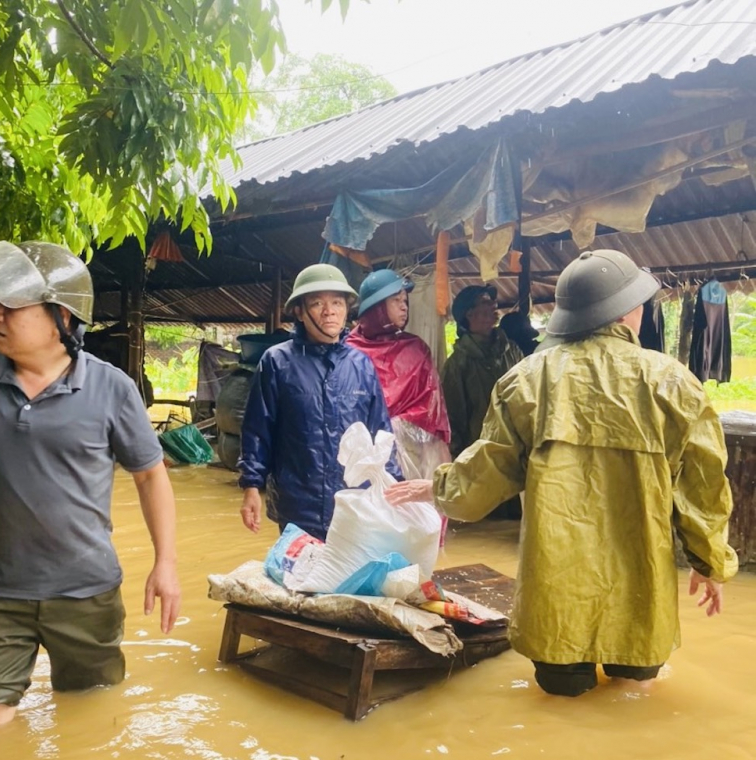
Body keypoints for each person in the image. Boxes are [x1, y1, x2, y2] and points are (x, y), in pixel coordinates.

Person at [386, 249, 737, 697]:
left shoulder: (526, 380)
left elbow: (485, 476)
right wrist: (711, 562)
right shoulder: (673, 382)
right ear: (630, 311)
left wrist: (434, 488)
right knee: (632, 703)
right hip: (640, 595)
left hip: (555, 598)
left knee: (559, 703)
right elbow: (703, 486)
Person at [0, 241, 180, 736]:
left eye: (9, 305)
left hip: (86, 591)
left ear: (61, 315)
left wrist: (165, 564)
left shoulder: (113, 388)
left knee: (90, 719)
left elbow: (150, 476)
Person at [238, 263, 398, 541]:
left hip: (353, 504)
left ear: (347, 309)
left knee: (349, 582)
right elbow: (257, 430)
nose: (329, 311)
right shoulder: (276, 362)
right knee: (299, 582)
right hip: (297, 507)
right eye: (317, 303)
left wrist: (395, 488)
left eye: (337, 302)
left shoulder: (361, 365)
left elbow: (381, 433)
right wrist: (252, 486)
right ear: (299, 311)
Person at [347, 269, 451, 479]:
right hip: (361, 453)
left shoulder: (416, 349)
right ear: (376, 307)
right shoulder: (348, 351)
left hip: (412, 454)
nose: (404, 306)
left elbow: (433, 411)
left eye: (405, 300)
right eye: (396, 300)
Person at [441, 285, 523, 458]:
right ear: (469, 314)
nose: (494, 304)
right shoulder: (457, 364)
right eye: (485, 301)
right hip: (481, 457)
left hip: (517, 449)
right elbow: (454, 421)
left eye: (493, 300)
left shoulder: (512, 351)